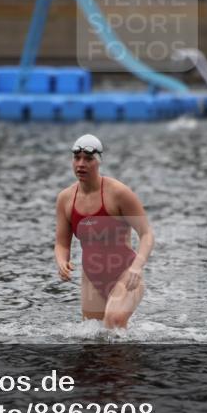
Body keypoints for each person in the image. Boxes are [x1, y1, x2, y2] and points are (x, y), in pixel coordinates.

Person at [55, 134, 154, 329]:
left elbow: (147, 234)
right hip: (92, 279)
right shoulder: (65, 199)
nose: (81, 164)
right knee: (94, 342)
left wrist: (137, 266)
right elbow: (62, 243)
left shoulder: (118, 193)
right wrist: (61, 261)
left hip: (126, 273)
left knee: (113, 322)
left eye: (88, 159)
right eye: (77, 158)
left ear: (99, 161)